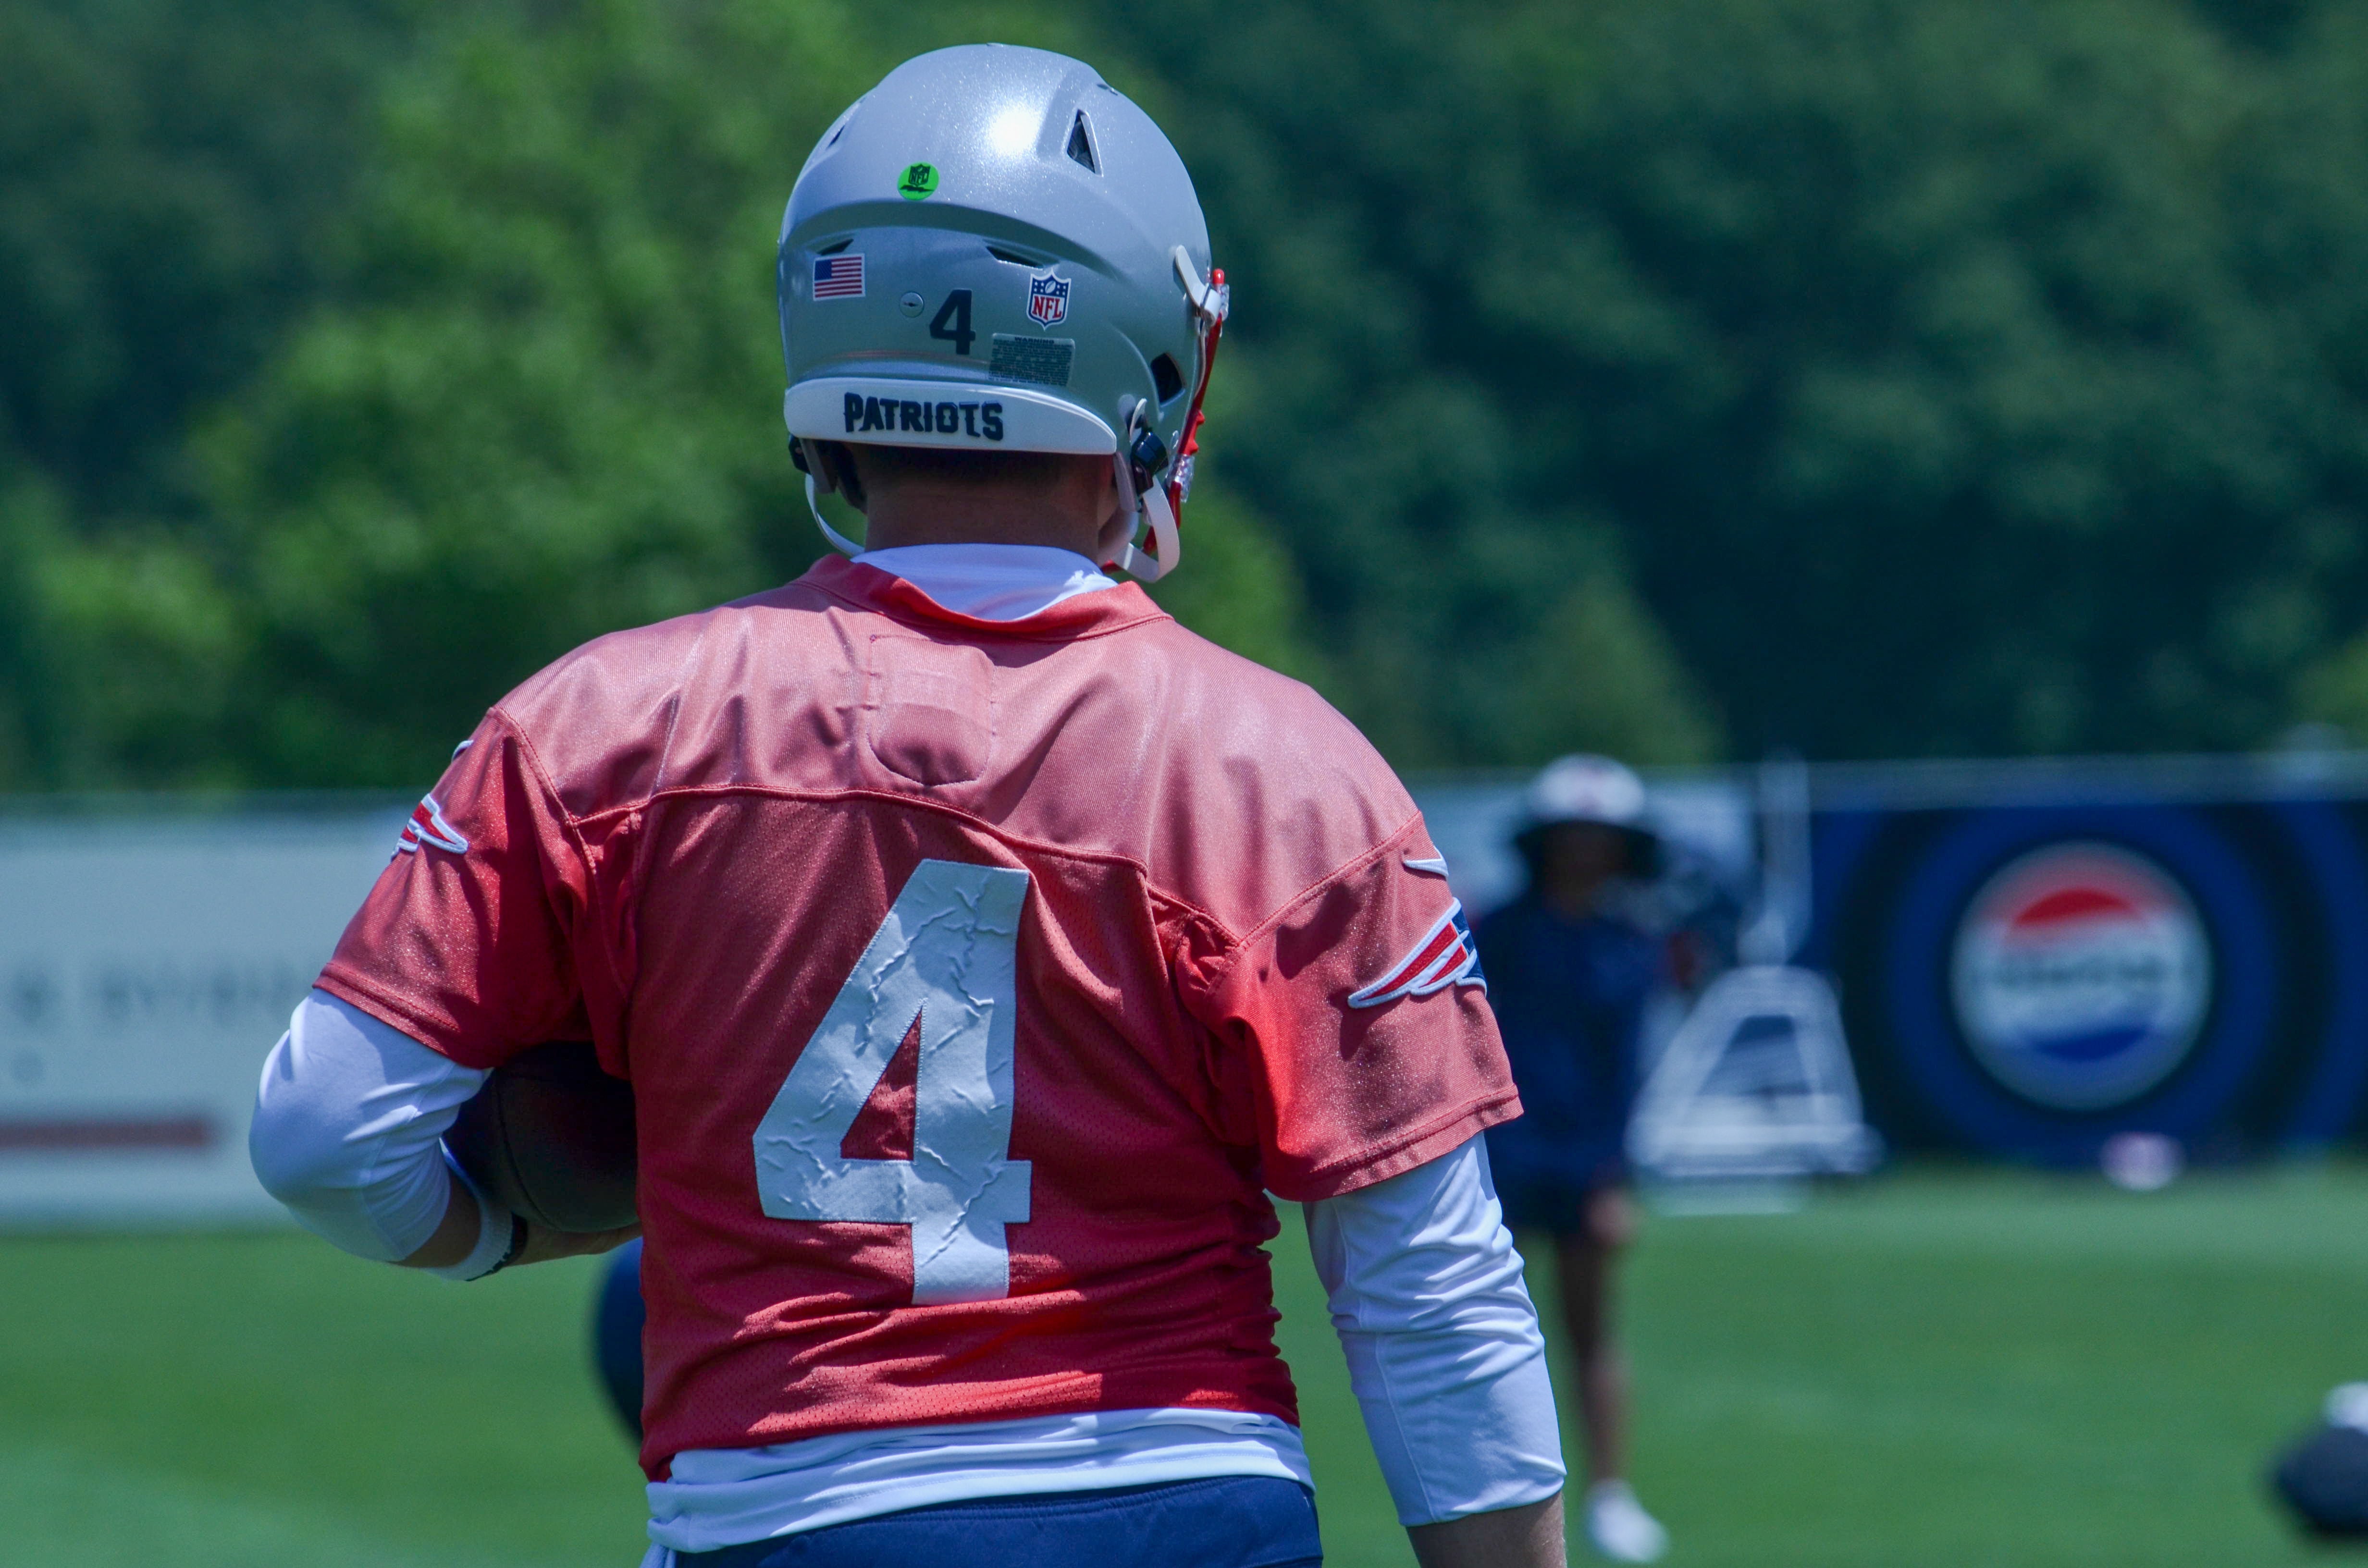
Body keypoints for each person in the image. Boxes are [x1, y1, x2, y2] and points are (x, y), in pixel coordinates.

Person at [247, 44, 1569, 1568]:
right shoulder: (1287, 768)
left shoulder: (597, 727)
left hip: (787, 1512)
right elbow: (1430, 1291)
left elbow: (325, 1134)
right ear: (1143, 369)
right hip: (1182, 1507)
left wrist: (503, 1222)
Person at [1475, 756, 1673, 1563]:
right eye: (1572, 837)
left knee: (1592, 1334)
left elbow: (1626, 1074)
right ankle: (1495, 1491)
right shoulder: (1499, 930)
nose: (1586, 852)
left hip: (1585, 1164)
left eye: (1602, 839)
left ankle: (1608, 1495)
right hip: (1502, 1159)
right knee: (1490, 1333)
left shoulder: (1632, 945)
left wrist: (1613, 1176)